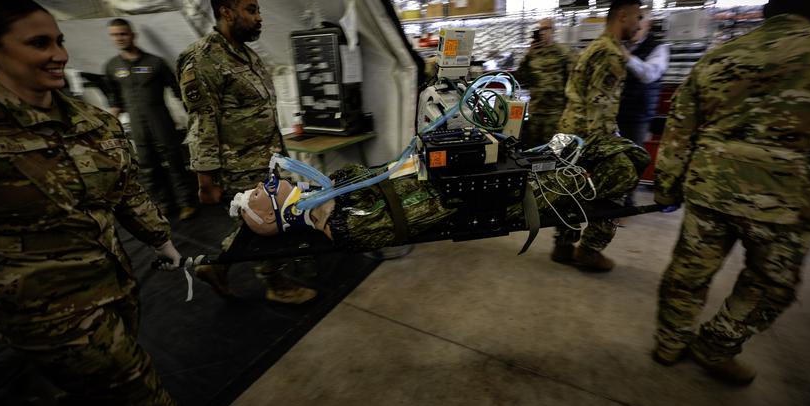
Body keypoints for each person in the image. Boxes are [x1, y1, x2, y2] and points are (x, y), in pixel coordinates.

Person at [0, 0, 240, 406]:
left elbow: (128, 192)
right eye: (39, 43)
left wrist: (163, 242)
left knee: (101, 388)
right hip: (43, 306)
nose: (59, 54)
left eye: (59, 40)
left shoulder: (90, 120)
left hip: (113, 282)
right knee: (130, 377)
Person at [652, 0, 810, 386]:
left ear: (766, 7)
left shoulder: (719, 57)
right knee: (769, 284)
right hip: (782, 199)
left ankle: (669, 343)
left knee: (688, 273)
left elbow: (678, 129)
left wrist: (667, 185)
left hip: (711, 188)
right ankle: (716, 345)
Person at [228, 134, 649, 254]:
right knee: (612, 167)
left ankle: (591, 159)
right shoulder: (344, 223)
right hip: (487, 198)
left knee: (579, 151)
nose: (262, 184)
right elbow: (419, 209)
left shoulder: (335, 196)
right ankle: (600, 170)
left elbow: (379, 176)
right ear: (273, 216)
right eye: (258, 193)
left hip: (465, 182)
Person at [176, 0, 317, 304]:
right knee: (269, 224)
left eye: (258, 10)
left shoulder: (247, 55)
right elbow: (201, 122)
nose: (259, 17)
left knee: (255, 224)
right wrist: (205, 179)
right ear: (226, 12)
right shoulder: (202, 59)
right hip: (238, 165)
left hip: (267, 159)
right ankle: (276, 283)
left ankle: (217, 268)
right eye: (251, 10)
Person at [555, 0, 643, 271]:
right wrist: (606, 147)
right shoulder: (610, 53)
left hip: (568, 131)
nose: (639, 24)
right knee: (618, 183)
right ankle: (590, 250)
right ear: (622, 16)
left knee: (567, 189)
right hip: (586, 134)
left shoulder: (595, 47)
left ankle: (564, 245)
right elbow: (598, 104)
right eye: (637, 18)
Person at [105, 18, 198, 221]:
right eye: (114, 35)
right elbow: (114, 99)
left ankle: (186, 203)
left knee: (175, 163)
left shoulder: (155, 62)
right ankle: (163, 205)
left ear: (132, 35)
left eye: (122, 33)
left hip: (161, 121)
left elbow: (178, 91)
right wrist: (107, 125)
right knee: (148, 167)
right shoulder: (112, 67)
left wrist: (195, 117)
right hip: (138, 126)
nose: (119, 38)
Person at [617, 13, 670, 206]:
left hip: (638, 115)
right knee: (613, 158)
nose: (635, 28)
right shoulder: (622, 44)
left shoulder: (659, 49)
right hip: (616, 112)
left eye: (639, 25)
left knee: (633, 160)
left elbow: (649, 74)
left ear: (646, 25)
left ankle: (626, 203)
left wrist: (627, 57)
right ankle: (612, 200)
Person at [516, 18, 574, 148]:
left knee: (556, 151)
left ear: (553, 31)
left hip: (555, 113)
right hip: (535, 112)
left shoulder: (563, 52)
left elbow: (574, 80)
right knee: (534, 149)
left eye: (546, 29)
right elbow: (520, 77)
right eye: (540, 29)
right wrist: (528, 55)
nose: (542, 32)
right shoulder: (532, 53)